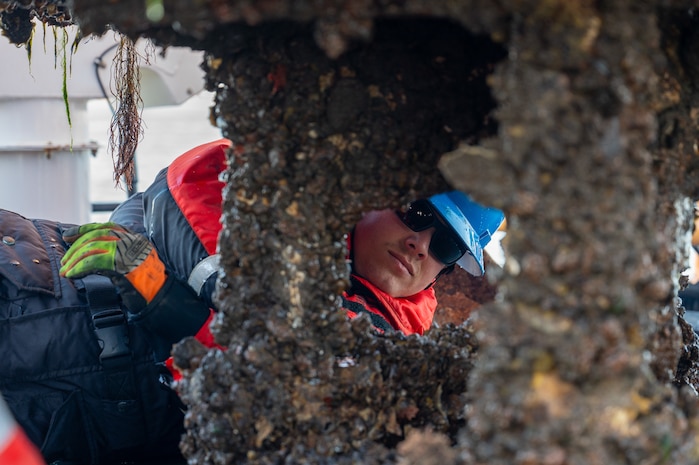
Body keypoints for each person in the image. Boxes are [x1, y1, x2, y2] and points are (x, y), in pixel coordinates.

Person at [1, 139, 504, 464]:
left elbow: (293, 376)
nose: (420, 243)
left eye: (446, 245)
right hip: (25, 285)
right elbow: (183, 191)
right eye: (416, 212)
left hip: (55, 425)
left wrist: (169, 300)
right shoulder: (262, 186)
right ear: (372, 191)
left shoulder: (397, 368)